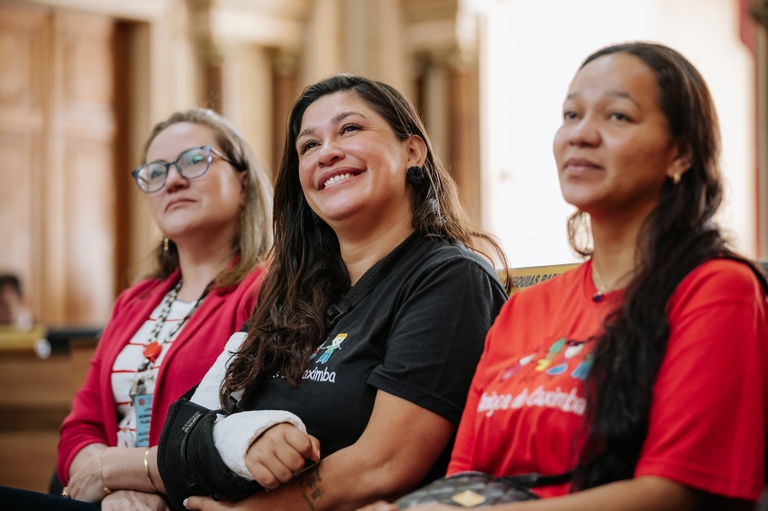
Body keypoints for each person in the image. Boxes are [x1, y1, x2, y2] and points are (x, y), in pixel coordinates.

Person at [359, 42, 768, 511]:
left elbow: (676, 493)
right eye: (571, 115)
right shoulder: (525, 309)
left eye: (617, 116)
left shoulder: (716, 290)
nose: (581, 134)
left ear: (681, 154)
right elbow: (465, 479)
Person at [157, 74, 511, 511]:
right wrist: (240, 439)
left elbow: (384, 466)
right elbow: (180, 434)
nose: (327, 153)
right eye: (308, 146)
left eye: (350, 129)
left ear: (412, 152)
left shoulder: (452, 279)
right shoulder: (289, 293)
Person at [0, 107, 274, 511]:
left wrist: (130, 475)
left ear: (244, 183)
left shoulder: (266, 292)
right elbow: (80, 428)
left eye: (194, 160)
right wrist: (113, 487)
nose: (173, 180)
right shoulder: (135, 301)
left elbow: (239, 438)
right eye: (156, 171)